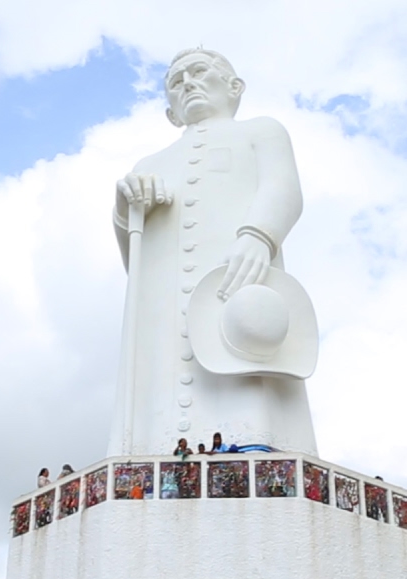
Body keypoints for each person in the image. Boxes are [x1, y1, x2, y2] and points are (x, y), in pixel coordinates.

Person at [108, 48, 317, 457]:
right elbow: (136, 265)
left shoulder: (261, 131)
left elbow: (283, 188)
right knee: (161, 387)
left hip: (234, 279)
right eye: (175, 81)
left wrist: (259, 234)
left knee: (245, 377)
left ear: (235, 87)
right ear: (170, 112)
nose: (187, 82)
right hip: (167, 308)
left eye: (199, 71)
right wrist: (124, 209)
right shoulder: (150, 163)